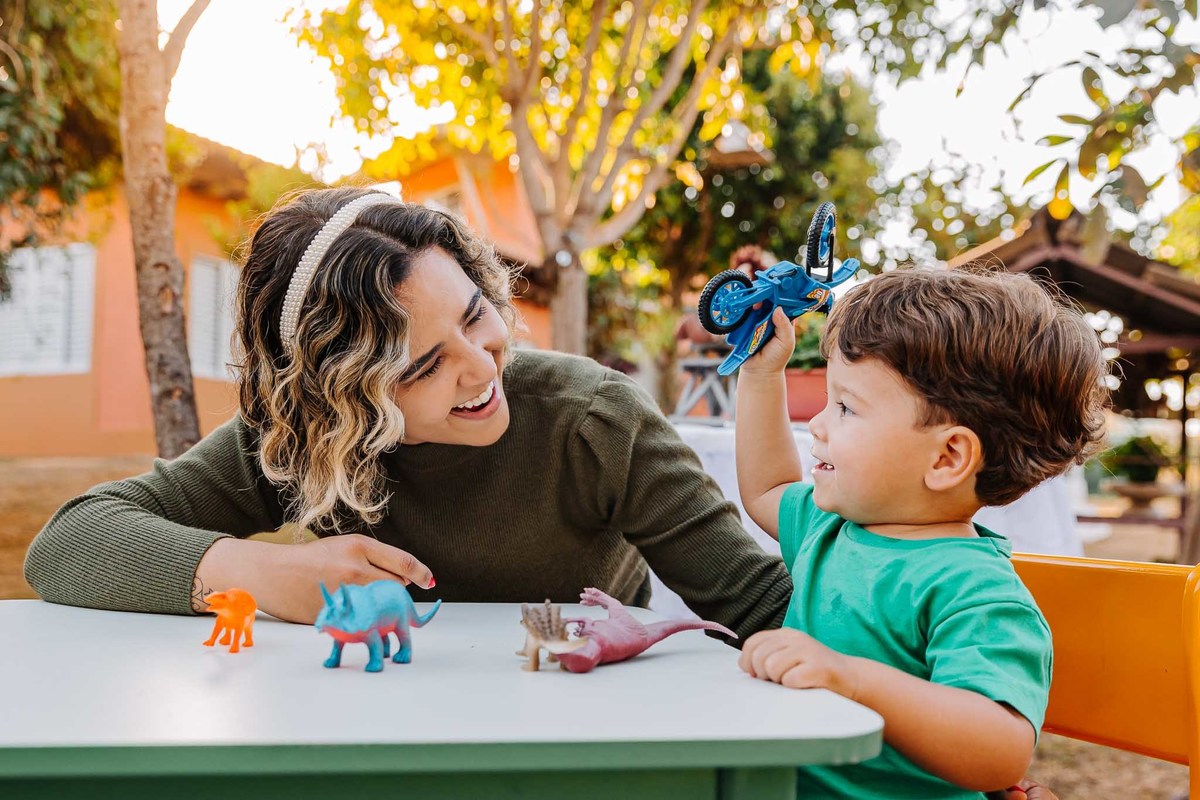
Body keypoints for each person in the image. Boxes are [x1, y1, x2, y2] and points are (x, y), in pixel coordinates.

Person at [22, 186, 791, 637]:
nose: (481, 366)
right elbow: (68, 542)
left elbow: (762, 605)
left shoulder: (594, 422)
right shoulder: (300, 443)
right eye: (423, 367)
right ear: (340, 403)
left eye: (475, 314)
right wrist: (266, 574)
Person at [732, 266, 1107, 798]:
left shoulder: (974, 590)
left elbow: (1000, 752)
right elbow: (767, 488)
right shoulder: (832, 528)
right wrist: (761, 374)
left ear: (948, 456)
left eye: (845, 407)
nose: (816, 424)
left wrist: (851, 679)